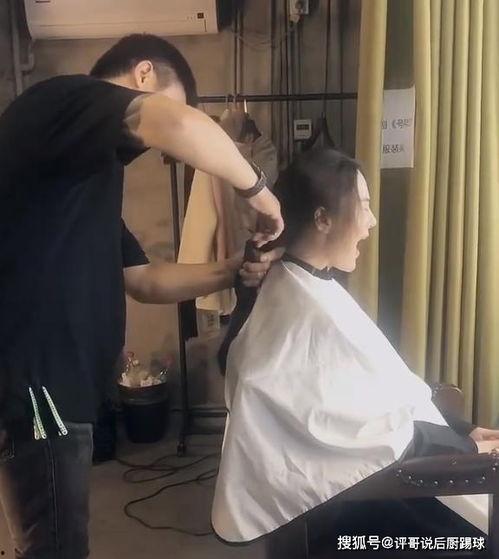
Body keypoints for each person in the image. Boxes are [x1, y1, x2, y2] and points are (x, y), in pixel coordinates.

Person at [0, 34, 283, 559]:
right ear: (144, 73)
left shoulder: (82, 171)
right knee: (55, 548)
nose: (158, 147)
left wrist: (230, 270)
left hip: (61, 387)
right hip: (41, 386)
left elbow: (144, 279)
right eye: (171, 104)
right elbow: (177, 125)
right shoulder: (66, 99)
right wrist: (260, 192)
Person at [212, 148, 499, 551]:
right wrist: (466, 451)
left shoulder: (304, 286)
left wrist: (460, 430)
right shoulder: (300, 304)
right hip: (365, 513)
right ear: (322, 219)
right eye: (363, 206)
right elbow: (356, 431)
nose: (372, 221)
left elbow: (380, 398)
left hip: (383, 479)